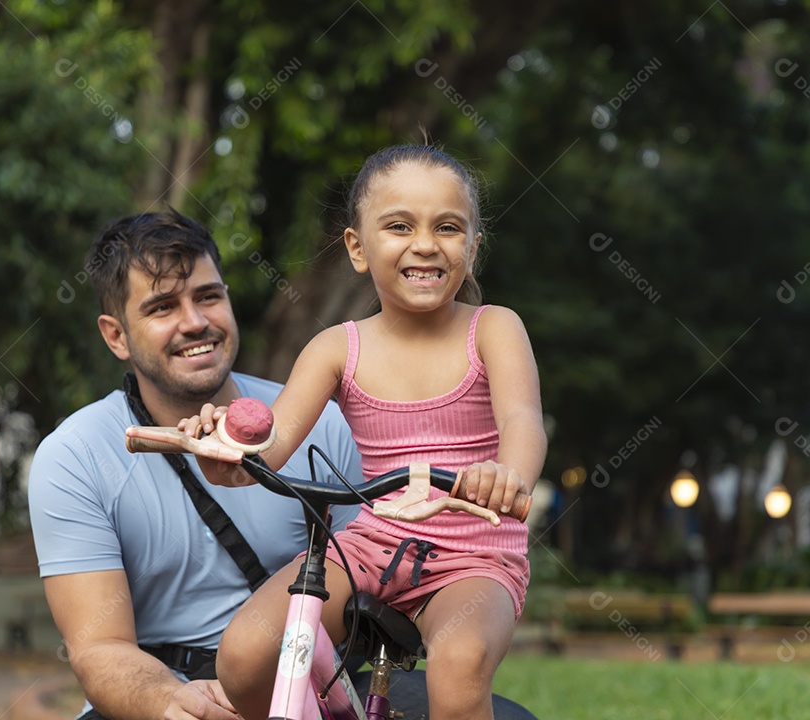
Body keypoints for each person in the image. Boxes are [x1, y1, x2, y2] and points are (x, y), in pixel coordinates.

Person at [27, 208, 539, 720]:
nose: (195, 322)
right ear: (116, 336)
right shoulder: (74, 457)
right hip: (165, 691)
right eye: (163, 307)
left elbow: (383, 577)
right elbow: (98, 648)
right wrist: (171, 702)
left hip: (310, 678)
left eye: (208, 296)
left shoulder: (321, 420)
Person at [182, 145, 547, 720]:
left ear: (472, 249)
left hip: (475, 549)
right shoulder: (336, 347)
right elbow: (269, 449)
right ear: (357, 247)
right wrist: (228, 452)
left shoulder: (494, 329)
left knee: (459, 665)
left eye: (448, 228)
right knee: (245, 656)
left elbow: (522, 420)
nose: (425, 243)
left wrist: (508, 475)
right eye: (399, 225)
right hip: (370, 545)